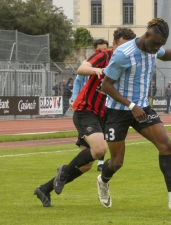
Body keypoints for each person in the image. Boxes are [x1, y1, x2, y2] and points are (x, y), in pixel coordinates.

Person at [33, 27, 136, 207]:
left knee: (86, 164)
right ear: (114, 45)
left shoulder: (129, 62)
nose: (125, 51)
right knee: (99, 150)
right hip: (86, 111)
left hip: (103, 116)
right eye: (122, 46)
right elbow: (81, 68)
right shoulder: (104, 56)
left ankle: (44, 189)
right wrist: (95, 70)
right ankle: (63, 171)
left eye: (129, 47)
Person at [100, 18, 171, 211]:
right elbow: (106, 85)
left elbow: (165, 55)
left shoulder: (153, 47)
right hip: (118, 110)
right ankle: (103, 181)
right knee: (116, 162)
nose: (157, 48)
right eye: (156, 43)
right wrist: (131, 105)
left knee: (166, 145)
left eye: (160, 44)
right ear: (148, 35)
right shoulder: (123, 54)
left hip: (142, 108)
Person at [71, 38, 109, 171]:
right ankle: (68, 170)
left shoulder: (109, 63)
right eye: (100, 50)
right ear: (95, 50)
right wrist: (75, 96)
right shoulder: (88, 64)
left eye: (105, 49)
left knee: (101, 135)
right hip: (86, 105)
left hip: (101, 106)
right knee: (92, 140)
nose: (103, 52)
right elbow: (78, 80)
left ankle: (100, 163)